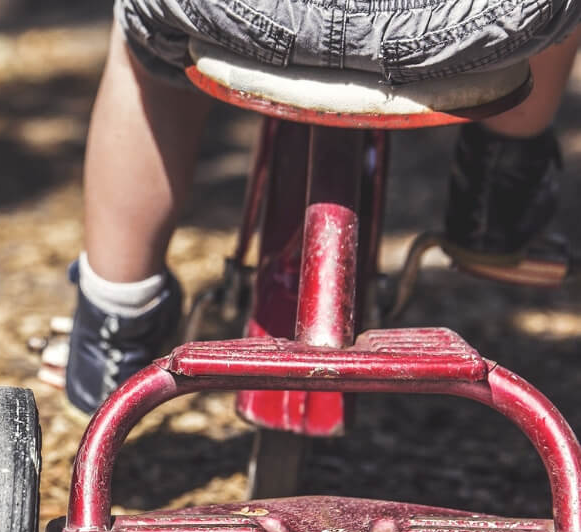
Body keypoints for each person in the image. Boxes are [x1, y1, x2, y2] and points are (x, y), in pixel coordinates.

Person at [63, 0, 581, 416]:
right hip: (470, 22)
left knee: (144, 44)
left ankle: (117, 316)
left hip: (246, 13)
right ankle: (497, 201)